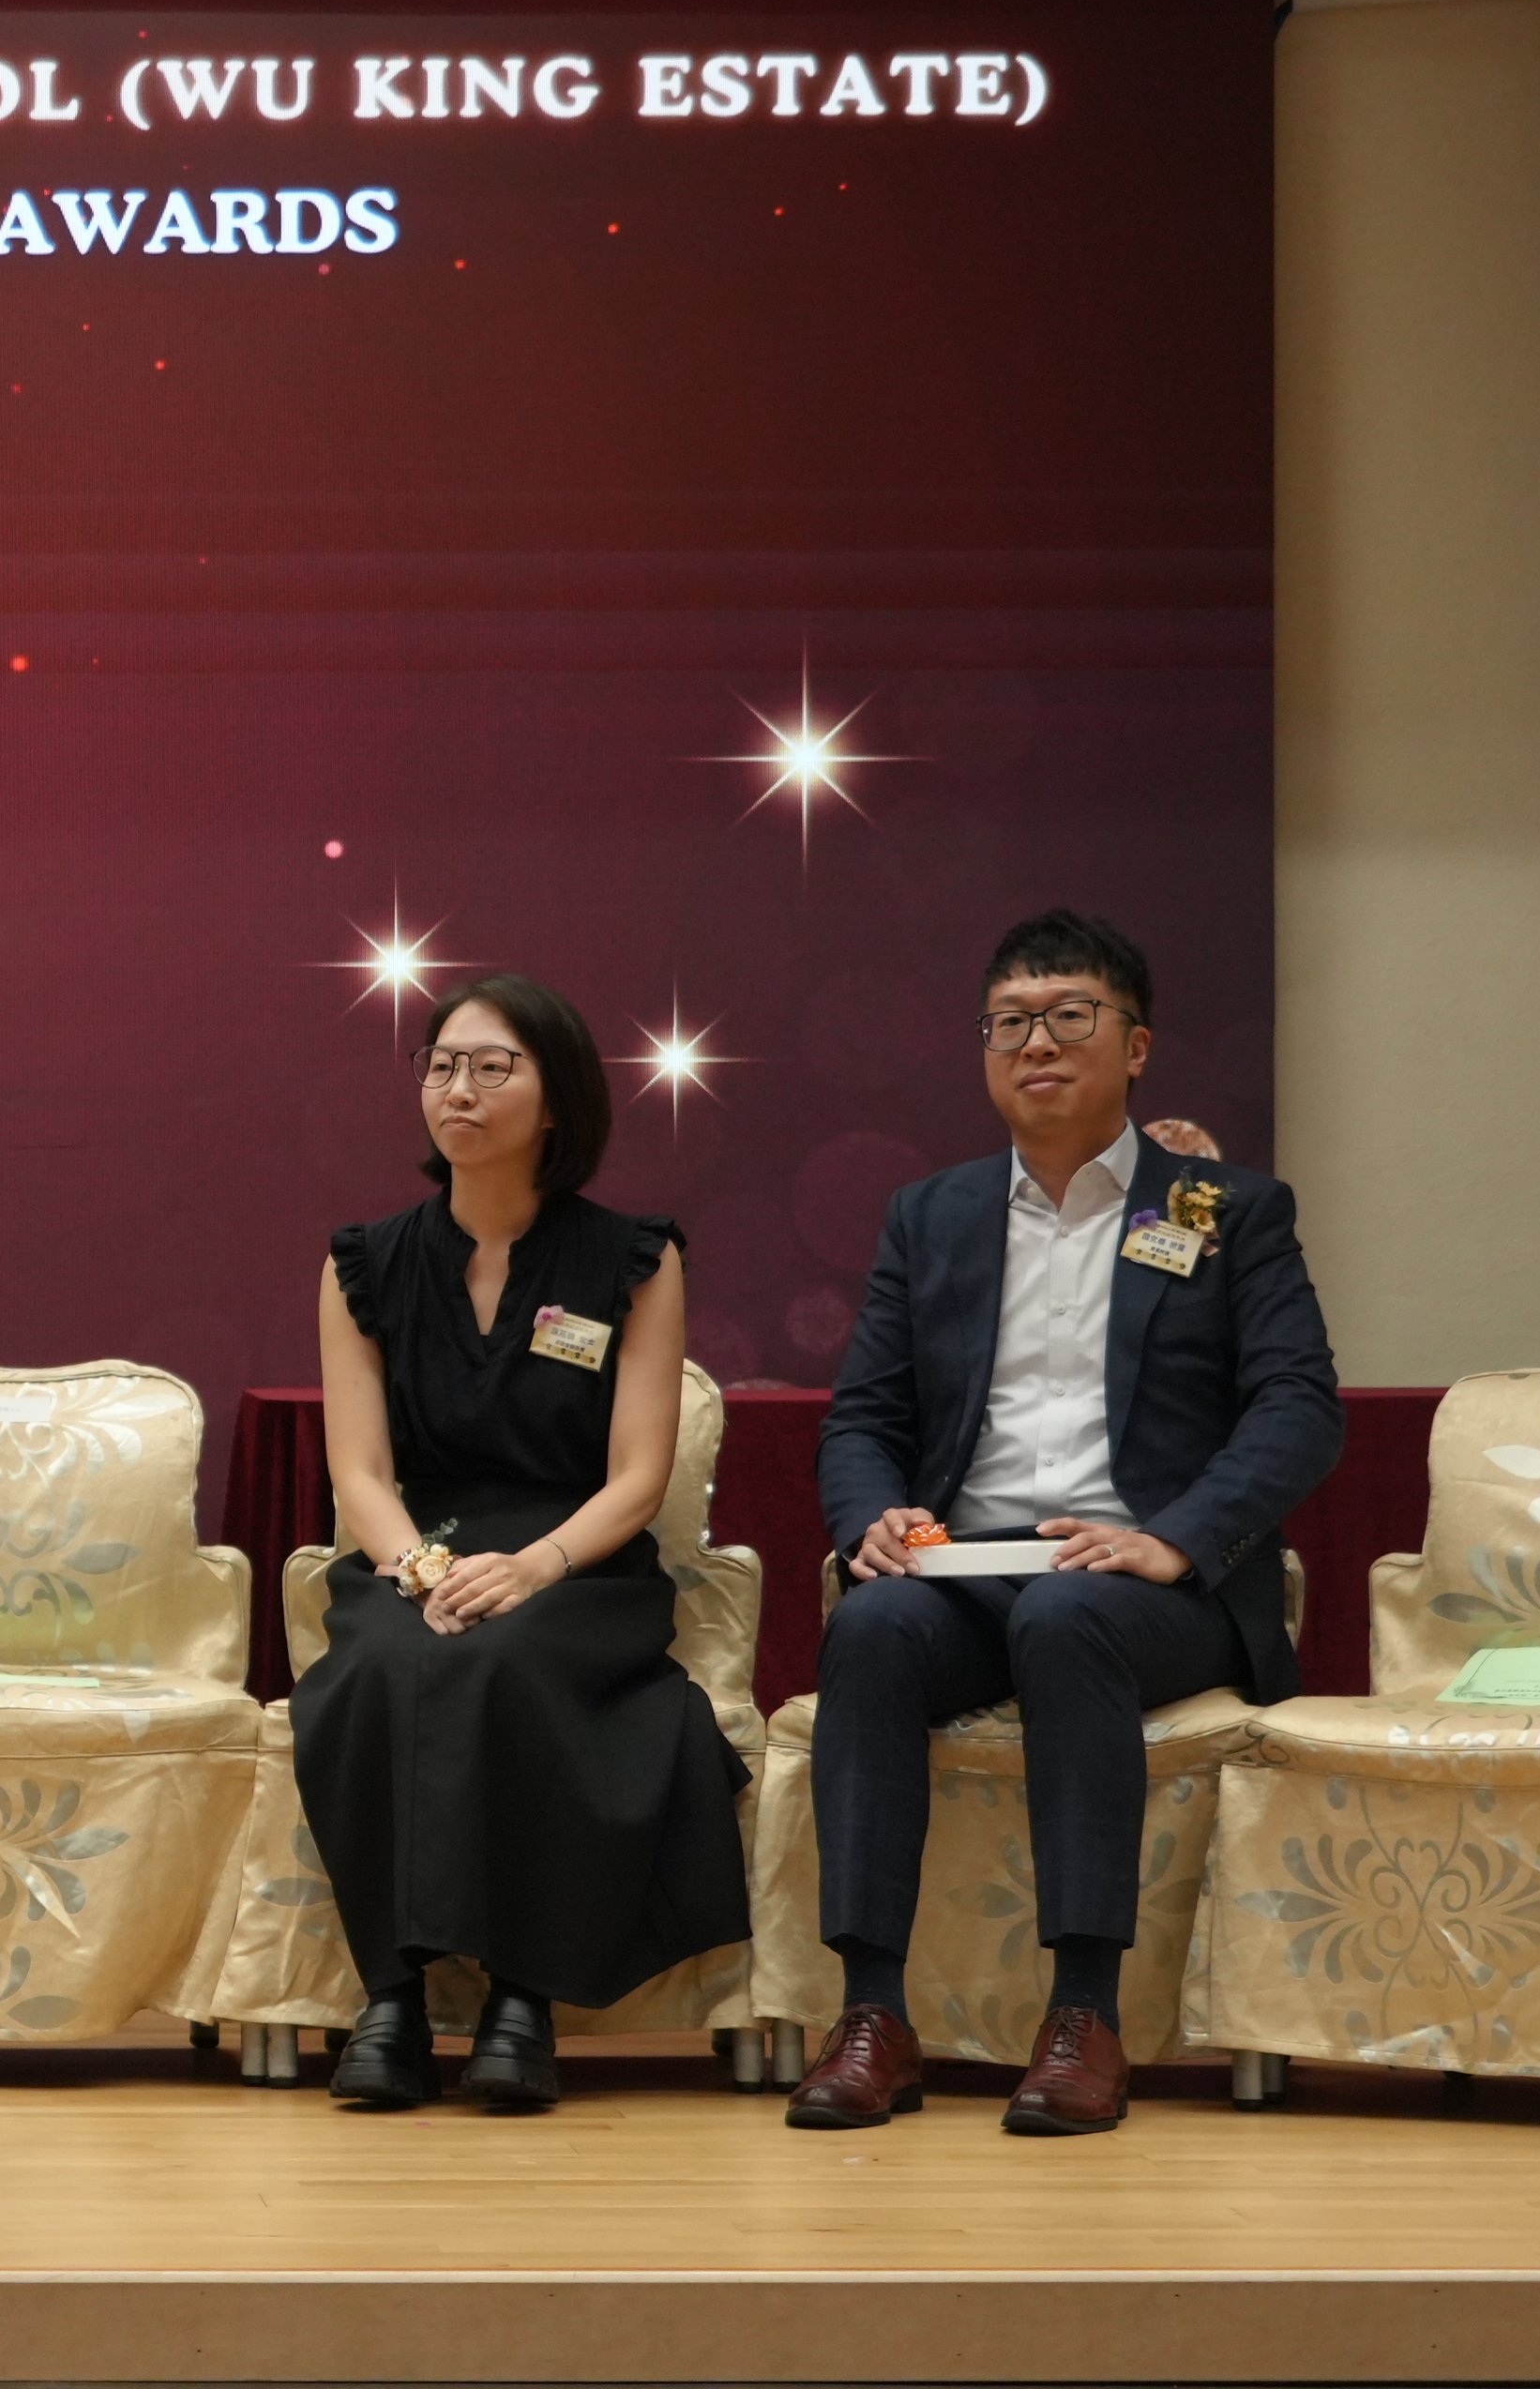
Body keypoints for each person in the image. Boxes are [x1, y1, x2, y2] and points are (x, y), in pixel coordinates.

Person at [791, 909, 1340, 2135]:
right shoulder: (930, 1215)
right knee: (871, 1628)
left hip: (1149, 1589)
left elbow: (1300, 1409)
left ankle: (1084, 2016)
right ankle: (872, 2017)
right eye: (1010, 1023)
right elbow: (864, 1415)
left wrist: (1177, 1536)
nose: (1036, 1043)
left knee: (1070, 1614)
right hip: (970, 1569)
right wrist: (873, 1518)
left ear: (1136, 1046)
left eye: (1069, 1016)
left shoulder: (1223, 1210)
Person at [291, 974, 740, 2112]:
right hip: (421, 1548)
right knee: (379, 1668)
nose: (461, 1089)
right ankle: (392, 1998)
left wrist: (535, 1567)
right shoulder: (363, 1264)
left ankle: (522, 2000)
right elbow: (360, 1473)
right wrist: (421, 1571)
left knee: (511, 1660)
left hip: (577, 1560)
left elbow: (638, 1477)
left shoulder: (635, 1258)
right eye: (443, 1065)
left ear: (557, 1100)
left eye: (494, 1068)